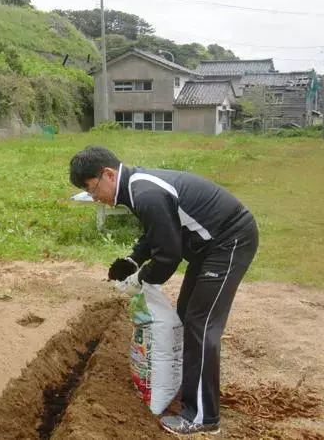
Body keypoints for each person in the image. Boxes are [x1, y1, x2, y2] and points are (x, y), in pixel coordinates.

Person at [69, 146, 259, 435]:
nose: (94, 197)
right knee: (186, 315)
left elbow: (168, 255)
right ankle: (191, 390)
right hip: (208, 247)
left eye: (91, 188)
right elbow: (156, 232)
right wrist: (133, 259)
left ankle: (203, 418)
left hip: (229, 240)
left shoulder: (145, 193)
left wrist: (141, 279)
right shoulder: (135, 188)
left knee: (200, 324)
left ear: (107, 174)